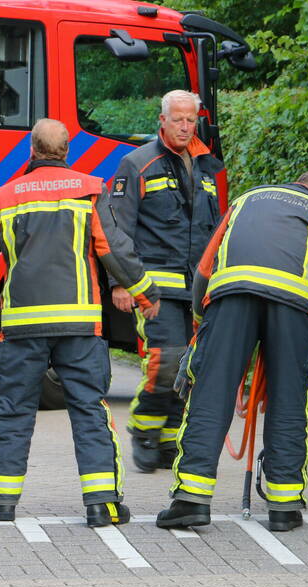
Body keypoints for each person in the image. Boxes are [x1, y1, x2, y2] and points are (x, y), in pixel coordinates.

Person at [0, 119, 161, 527]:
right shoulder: (89, 190)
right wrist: (146, 295)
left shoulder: (5, 197)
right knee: (89, 410)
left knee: (14, 410)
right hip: (79, 327)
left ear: (31, 151)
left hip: (20, 329)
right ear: (67, 150)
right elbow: (115, 251)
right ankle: (101, 505)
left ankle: (2, 502)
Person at [155, 171, 308, 532]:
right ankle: (284, 506)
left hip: (230, 296)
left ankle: (191, 500)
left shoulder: (247, 199)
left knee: (210, 395)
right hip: (295, 307)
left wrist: (203, 322)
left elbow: (205, 268)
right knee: (289, 402)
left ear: (292, 184)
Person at [108, 90, 223, 473]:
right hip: (155, 288)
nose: (185, 126)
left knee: (190, 368)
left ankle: (170, 438)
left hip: (198, 290)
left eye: (191, 120)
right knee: (167, 361)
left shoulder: (207, 166)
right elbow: (117, 227)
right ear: (162, 120)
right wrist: (121, 283)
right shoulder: (137, 163)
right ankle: (143, 429)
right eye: (178, 119)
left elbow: (216, 230)